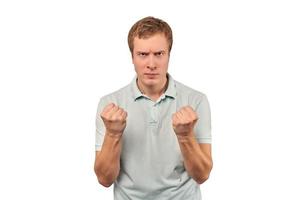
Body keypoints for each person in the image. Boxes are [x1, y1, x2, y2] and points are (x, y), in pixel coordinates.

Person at [94, 16, 213, 200]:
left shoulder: (196, 101)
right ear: (132, 57)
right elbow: (104, 179)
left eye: (159, 54)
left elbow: (202, 175)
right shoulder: (110, 104)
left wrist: (185, 136)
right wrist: (113, 134)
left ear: (169, 55)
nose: (151, 64)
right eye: (143, 54)